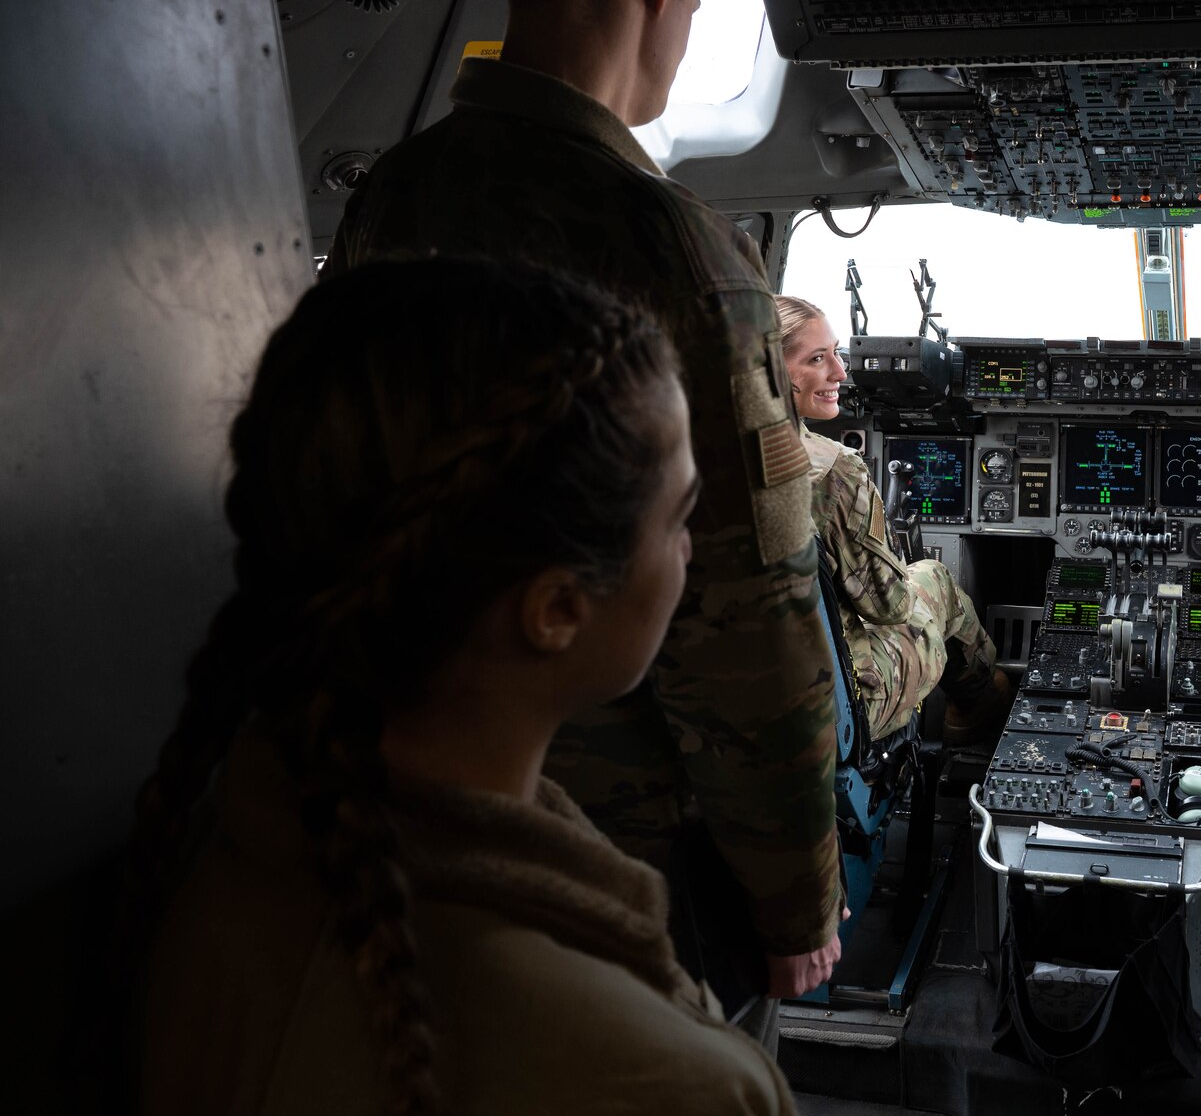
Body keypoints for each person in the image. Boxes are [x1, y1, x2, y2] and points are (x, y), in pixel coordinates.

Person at [323, 0, 843, 999]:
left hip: (423, 792)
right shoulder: (679, 248)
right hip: (634, 841)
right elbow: (745, 614)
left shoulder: (386, 204)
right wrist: (794, 891)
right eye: (699, 6)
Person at [128, 258, 794, 1116]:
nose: (693, 548)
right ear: (556, 609)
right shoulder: (679, 1082)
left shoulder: (192, 871)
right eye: (677, 517)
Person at [775, 296, 1012, 742]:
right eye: (817, 359)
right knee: (935, 580)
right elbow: (890, 607)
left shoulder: (672, 463)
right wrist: (889, 559)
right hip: (831, 711)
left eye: (837, 353)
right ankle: (980, 710)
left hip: (720, 698)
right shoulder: (831, 470)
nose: (841, 373)